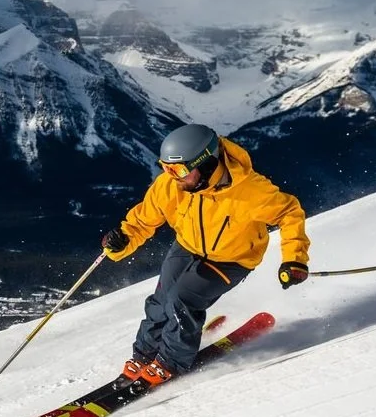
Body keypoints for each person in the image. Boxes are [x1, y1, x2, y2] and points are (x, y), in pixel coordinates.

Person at [100, 123, 310, 386]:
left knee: (182, 300)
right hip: (187, 246)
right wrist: (122, 240)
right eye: (166, 168)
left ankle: (170, 362)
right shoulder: (171, 185)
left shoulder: (250, 190)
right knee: (161, 300)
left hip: (232, 258)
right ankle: (145, 354)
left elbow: (290, 213)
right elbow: (143, 220)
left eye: (177, 170)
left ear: (206, 164)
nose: (172, 177)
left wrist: (295, 258)